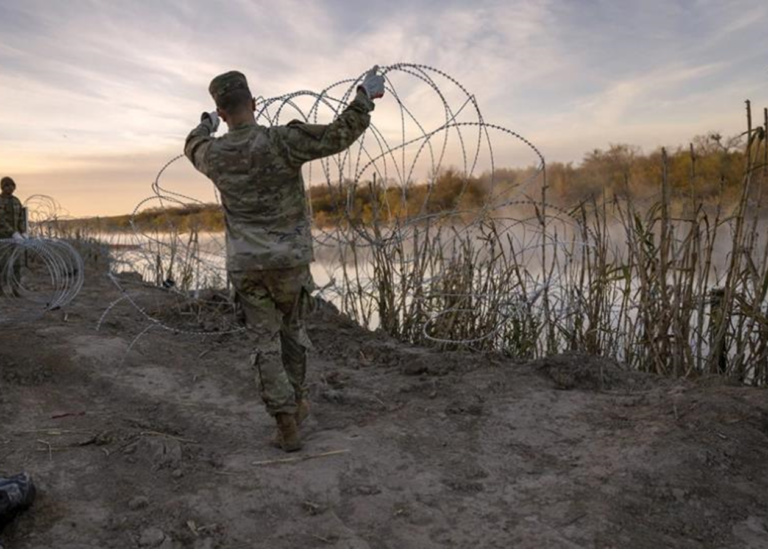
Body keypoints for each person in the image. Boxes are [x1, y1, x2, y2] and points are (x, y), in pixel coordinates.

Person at [184, 67, 385, 452]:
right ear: (254, 104)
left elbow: (192, 144)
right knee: (292, 334)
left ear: (222, 112)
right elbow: (339, 134)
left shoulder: (214, 154)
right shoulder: (282, 142)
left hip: (247, 267)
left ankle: (286, 422)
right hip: (290, 262)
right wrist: (364, 97)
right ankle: (296, 402)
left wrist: (205, 125)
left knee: (264, 343)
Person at [0, 177, 26, 296]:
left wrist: (23, 232)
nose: (10, 188)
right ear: (2, 187)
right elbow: (1, 220)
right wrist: (12, 233)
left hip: (16, 238)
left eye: (12, 185)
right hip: (2, 237)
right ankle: (1, 289)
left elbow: (21, 218)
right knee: (3, 263)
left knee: (16, 263)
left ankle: (15, 289)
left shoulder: (16, 201)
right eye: (7, 186)